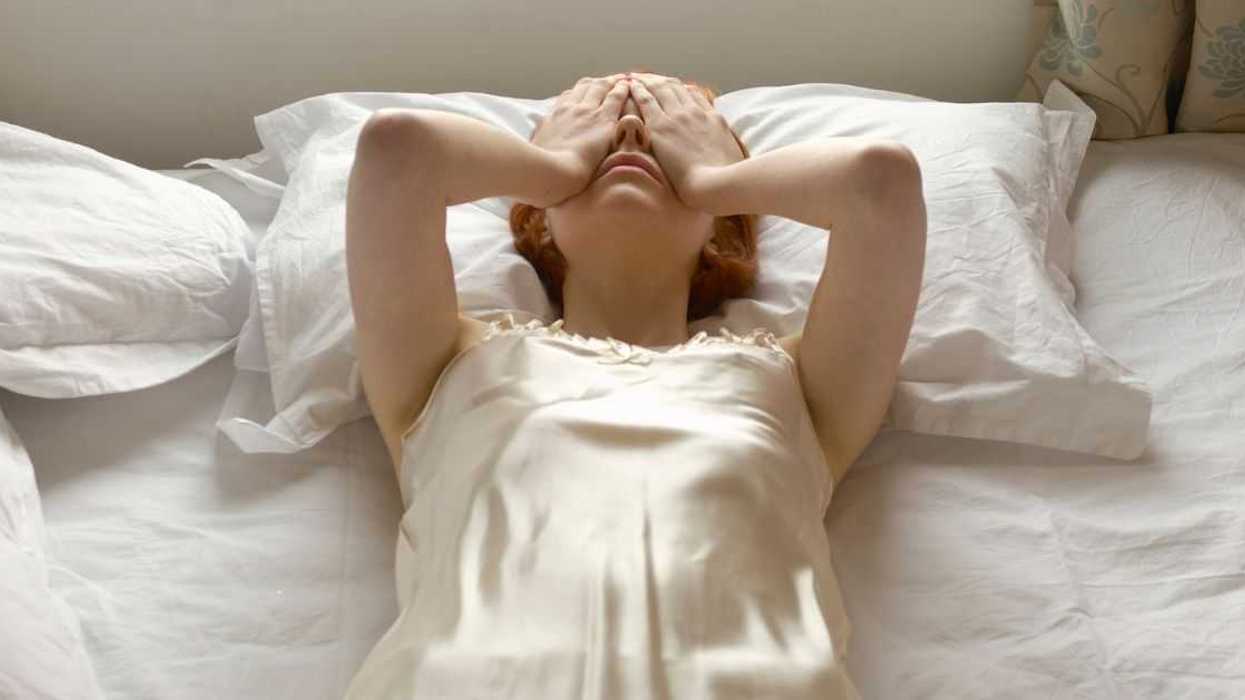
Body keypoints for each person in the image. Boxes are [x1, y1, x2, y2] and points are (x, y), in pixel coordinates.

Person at [342, 72, 926, 698]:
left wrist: (710, 181)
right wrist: (557, 166)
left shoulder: (800, 387)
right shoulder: (447, 361)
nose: (627, 134)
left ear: (721, 231)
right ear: (537, 220)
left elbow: (880, 184)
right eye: (598, 127)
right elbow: (396, 152)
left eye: (664, 136)